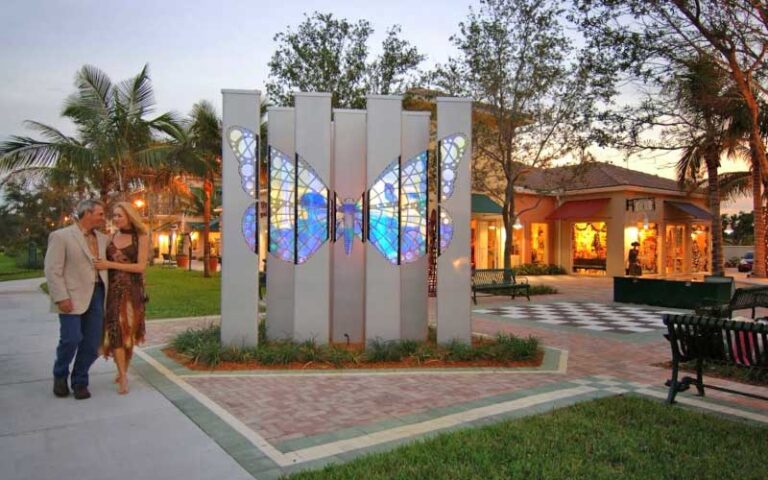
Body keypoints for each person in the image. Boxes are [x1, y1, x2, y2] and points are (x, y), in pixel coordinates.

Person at [45, 199, 108, 400]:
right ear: (87, 213)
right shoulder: (61, 236)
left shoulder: (103, 239)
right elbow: (52, 270)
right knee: (71, 338)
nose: (103, 217)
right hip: (71, 296)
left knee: (92, 343)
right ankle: (60, 374)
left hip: (98, 295)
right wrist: (61, 297)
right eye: (100, 213)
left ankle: (80, 380)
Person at [94, 202, 149, 394]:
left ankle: (123, 370)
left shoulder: (141, 237)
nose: (116, 219)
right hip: (112, 292)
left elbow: (140, 267)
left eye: (119, 215)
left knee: (129, 333)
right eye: (114, 215)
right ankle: (123, 376)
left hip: (132, 292)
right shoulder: (110, 238)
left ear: (129, 216)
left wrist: (109, 264)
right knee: (115, 330)